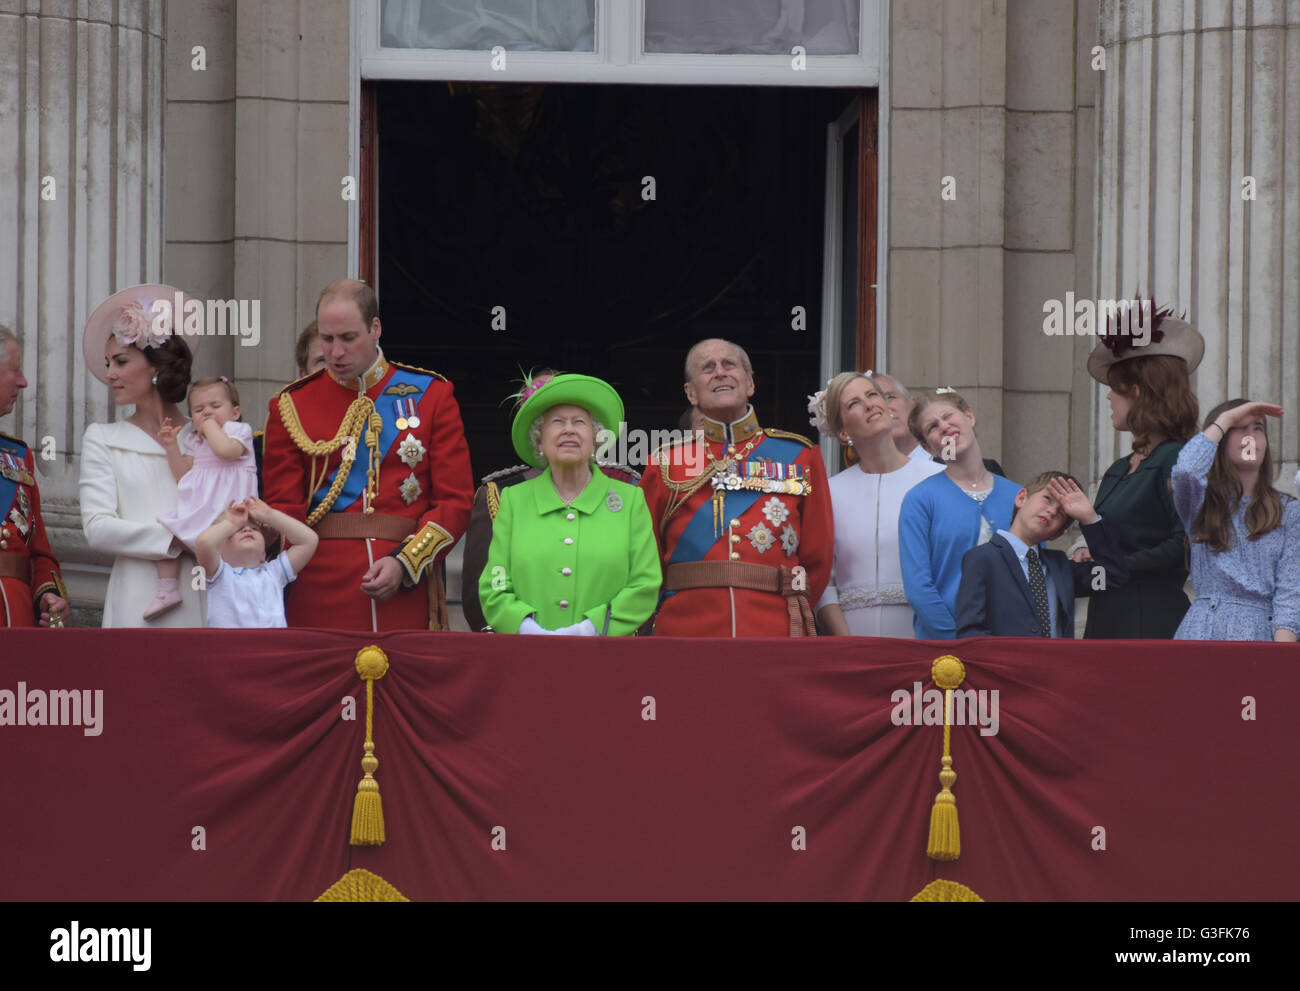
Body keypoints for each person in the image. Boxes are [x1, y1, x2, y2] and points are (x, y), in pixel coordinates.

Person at [261, 279, 474, 631]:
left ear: (375, 329)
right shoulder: (291, 405)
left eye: (348, 338)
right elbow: (285, 509)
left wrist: (406, 562)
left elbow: (456, 502)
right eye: (327, 340)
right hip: (318, 588)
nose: (336, 353)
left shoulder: (432, 395)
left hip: (404, 587)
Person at [639, 338, 833, 637]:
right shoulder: (665, 461)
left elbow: (817, 557)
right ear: (691, 393)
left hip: (774, 627)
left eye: (729, 364)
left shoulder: (800, 455)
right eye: (707, 368)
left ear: (750, 383)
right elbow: (645, 555)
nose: (720, 372)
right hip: (684, 628)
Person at [460, 369, 642, 632]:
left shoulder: (628, 492)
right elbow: (483, 588)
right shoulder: (504, 494)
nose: (568, 429)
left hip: (608, 650)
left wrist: (597, 628)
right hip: (522, 651)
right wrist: (521, 628)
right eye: (556, 420)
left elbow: (644, 583)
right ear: (537, 433)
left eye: (578, 421)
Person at [79, 284, 205, 628]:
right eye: (109, 363)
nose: (110, 374)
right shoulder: (103, 438)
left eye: (121, 361)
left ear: (155, 367)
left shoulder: (206, 437)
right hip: (135, 599)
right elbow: (98, 528)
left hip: (203, 593)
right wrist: (175, 539)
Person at [1076, 305, 1201, 638]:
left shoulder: (1179, 458)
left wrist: (1115, 565)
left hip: (1151, 619)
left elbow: (1183, 546)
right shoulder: (1120, 468)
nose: (1108, 397)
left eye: (1115, 388)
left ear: (1138, 393)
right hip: (1108, 614)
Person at [810, 371, 943, 636]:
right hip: (853, 644)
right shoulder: (829, 492)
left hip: (923, 639)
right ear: (843, 431)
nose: (869, 404)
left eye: (872, 395)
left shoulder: (937, 480)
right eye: (854, 403)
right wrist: (846, 644)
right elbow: (823, 580)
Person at [1171, 399, 1300, 642]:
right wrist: (1226, 419)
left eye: (1258, 429)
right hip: (1202, 631)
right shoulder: (1200, 503)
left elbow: (1290, 597)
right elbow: (1185, 471)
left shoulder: (1289, 511)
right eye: (1240, 429)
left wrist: (1282, 659)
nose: (1250, 437)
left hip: (1259, 636)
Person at [898, 388, 1020, 639]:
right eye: (932, 427)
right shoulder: (919, 499)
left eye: (948, 416)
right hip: (947, 652)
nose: (944, 427)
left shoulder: (1018, 496)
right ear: (927, 447)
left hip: (1013, 643)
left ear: (969, 417)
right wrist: (955, 642)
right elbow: (918, 588)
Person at [955, 472, 1127, 637]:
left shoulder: (1061, 567)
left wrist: (1089, 519)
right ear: (1022, 497)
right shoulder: (983, 558)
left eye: (1061, 513)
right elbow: (972, 630)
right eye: (1047, 499)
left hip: (1053, 664)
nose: (1052, 511)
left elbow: (1110, 576)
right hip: (1005, 664)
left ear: (1058, 533)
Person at [147, 377, 257, 619]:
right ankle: (167, 588)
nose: (207, 412)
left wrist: (209, 427)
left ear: (235, 412)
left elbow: (226, 452)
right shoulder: (194, 442)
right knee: (168, 536)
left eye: (215, 406)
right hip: (202, 511)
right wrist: (172, 448)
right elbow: (183, 476)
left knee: (234, 559)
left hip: (231, 514)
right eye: (199, 410)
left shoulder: (238, 432)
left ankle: (239, 608)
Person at [0, 326, 70, 627]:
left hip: (14, 620)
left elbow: (39, 551)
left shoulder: (18, 456)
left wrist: (48, 593)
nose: (23, 381)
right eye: (13, 371)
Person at [197, 496, 319, 628]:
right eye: (237, 530)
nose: (247, 530)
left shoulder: (274, 573)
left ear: (264, 554)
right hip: (233, 648)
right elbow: (204, 543)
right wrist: (231, 523)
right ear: (219, 552)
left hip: (273, 648)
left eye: (254, 529)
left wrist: (270, 515)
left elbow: (309, 541)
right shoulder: (219, 575)